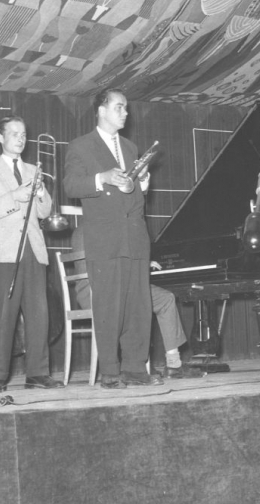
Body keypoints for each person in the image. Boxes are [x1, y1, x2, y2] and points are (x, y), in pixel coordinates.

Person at [63, 88, 163, 388]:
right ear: (101, 110)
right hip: (105, 238)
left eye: (126, 108)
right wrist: (102, 178)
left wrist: (143, 181)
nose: (125, 113)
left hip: (135, 236)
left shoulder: (131, 148)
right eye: (119, 107)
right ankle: (109, 371)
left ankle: (135, 367)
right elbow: (70, 185)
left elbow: (134, 192)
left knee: (138, 305)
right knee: (108, 305)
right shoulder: (81, 147)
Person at [0, 116, 63, 392]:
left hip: (33, 250)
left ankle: (37, 373)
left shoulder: (32, 169)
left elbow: (45, 211)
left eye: (23, 134)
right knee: (3, 315)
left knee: (39, 314)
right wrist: (16, 196)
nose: (21, 139)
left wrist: (38, 194)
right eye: (14, 134)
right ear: (0, 138)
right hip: (3, 251)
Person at [70, 227, 202, 379]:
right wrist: (142, 264)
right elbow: (110, 265)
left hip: (98, 292)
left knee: (165, 298)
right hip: (102, 293)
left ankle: (171, 364)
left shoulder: (79, 231)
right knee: (138, 303)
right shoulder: (100, 229)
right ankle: (141, 363)